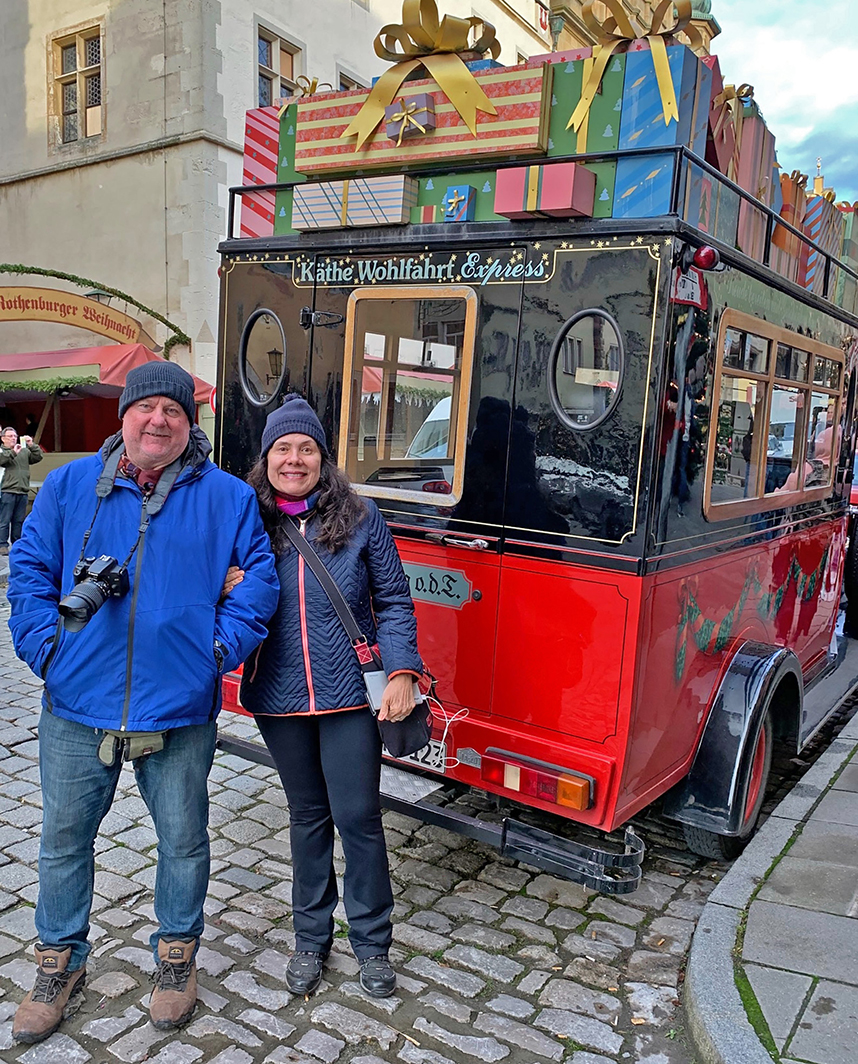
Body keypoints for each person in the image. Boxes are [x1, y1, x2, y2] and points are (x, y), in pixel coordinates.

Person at [7, 362, 278, 1044]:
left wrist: (214, 652)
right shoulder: (69, 485)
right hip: (77, 701)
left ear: (191, 424)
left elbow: (259, 581)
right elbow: (30, 568)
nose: (158, 420)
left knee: (183, 840)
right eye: (146, 408)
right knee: (64, 840)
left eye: (173, 411)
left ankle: (176, 956)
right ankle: (59, 960)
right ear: (123, 416)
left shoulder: (226, 496)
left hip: (179, 707)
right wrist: (46, 648)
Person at [239, 393, 422, 1000]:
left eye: (306, 448)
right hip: (278, 694)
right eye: (282, 449)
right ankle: (310, 939)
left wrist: (402, 671)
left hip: (349, 695)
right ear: (266, 458)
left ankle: (372, 943)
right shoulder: (246, 519)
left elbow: (393, 600)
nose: (294, 459)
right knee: (307, 817)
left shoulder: (362, 517)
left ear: (323, 458)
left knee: (358, 817)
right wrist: (224, 583)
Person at [0, 426, 43, 552]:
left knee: (19, 520)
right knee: (4, 520)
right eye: (10, 436)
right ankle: (2, 545)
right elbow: (2, 460)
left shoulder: (23, 451)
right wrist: (14, 452)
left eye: (15, 436)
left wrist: (31, 445)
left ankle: (17, 543)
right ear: (3, 438)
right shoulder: (2, 451)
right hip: (7, 490)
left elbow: (38, 457)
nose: (13, 438)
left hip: (22, 490)